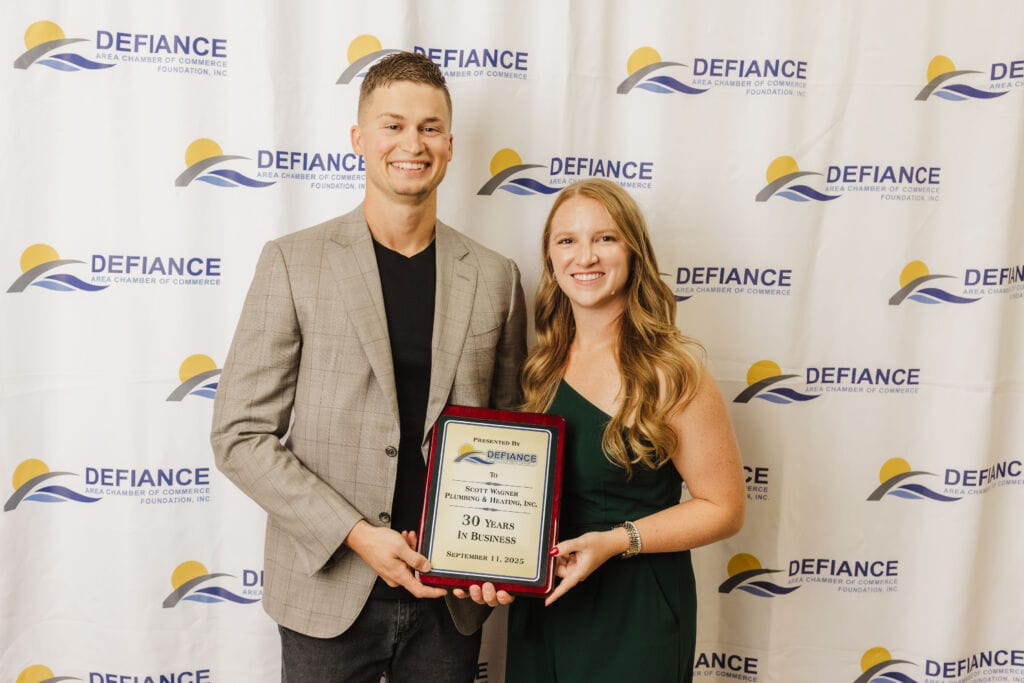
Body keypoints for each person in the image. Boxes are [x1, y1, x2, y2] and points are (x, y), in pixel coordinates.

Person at [210, 51, 527, 682]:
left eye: (430, 127)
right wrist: (356, 533)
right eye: (393, 125)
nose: (413, 143)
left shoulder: (497, 277)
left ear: (450, 145)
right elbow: (239, 435)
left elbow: (512, 434)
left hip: (450, 598)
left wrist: (503, 554)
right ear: (359, 139)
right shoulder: (293, 263)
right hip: (328, 592)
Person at [502, 178, 745, 682]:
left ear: (634, 252)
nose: (585, 256)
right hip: (545, 603)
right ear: (550, 259)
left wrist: (616, 541)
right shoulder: (540, 366)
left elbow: (724, 508)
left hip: (634, 611)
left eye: (605, 238)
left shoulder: (671, 371)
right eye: (567, 240)